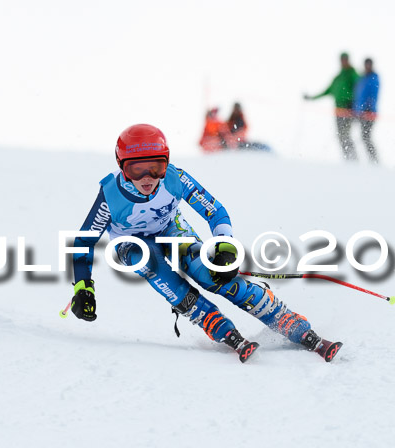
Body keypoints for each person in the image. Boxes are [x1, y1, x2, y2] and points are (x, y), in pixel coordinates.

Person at [70, 123, 341, 363]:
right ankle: (219, 326)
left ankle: (286, 320)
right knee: (157, 269)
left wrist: (224, 247)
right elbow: (84, 243)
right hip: (132, 244)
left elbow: (215, 210)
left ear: (166, 163)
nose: (147, 179)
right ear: (121, 166)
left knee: (212, 276)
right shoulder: (110, 196)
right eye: (136, 169)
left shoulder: (175, 178)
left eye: (155, 167)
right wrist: (84, 287)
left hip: (171, 229)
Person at [304, 52, 359, 160]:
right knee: (340, 135)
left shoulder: (352, 74)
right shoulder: (338, 78)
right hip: (338, 110)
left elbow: (359, 90)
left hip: (348, 108)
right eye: (342, 59)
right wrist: (311, 98)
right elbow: (326, 91)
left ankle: (353, 158)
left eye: (345, 59)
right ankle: (347, 157)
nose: (343, 62)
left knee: (345, 134)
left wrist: (357, 106)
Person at [353, 58, 380, 163]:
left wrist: (367, 108)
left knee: (365, 136)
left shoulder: (373, 78)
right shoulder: (362, 78)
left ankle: (374, 159)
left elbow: (373, 95)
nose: (367, 66)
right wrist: (357, 109)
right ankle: (354, 158)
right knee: (362, 136)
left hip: (369, 112)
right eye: (366, 64)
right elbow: (359, 95)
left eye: (369, 64)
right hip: (359, 111)